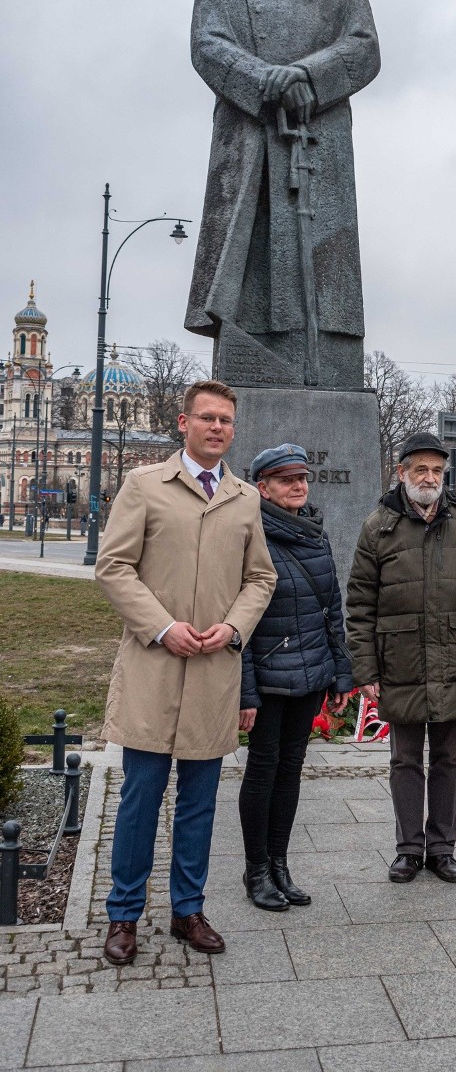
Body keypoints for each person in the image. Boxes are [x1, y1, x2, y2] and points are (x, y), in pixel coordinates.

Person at [95, 380, 277, 965]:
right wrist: (162, 626)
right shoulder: (144, 485)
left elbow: (260, 578)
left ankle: (188, 911)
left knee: (199, 803)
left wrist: (233, 628)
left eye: (226, 420)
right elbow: (114, 566)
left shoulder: (245, 497)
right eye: (207, 418)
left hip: (211, 672)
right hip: (154, 665)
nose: (217, 428)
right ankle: (123, 915)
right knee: (140, 798)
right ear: (183, 422)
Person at [185, 0, 381, 390]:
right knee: (250, 269)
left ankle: (327, 378)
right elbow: (208, 43)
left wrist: (307, 77)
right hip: (250, 142)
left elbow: (365, 48)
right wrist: (267, 80)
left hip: (322, 145)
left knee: (328, 275)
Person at [347, 432, 456, 883]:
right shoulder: (378, 526)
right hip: (401, 660)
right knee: (405, 759)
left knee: (449, 758)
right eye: (421, 469)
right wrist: (365, 668)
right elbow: (359, 604)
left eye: (437, 470)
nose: (430, 477)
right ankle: (408, 849)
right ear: (402, 473)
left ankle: (442, 848)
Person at [237, 442, 353, 910]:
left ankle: (280, 864)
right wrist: (245, 692)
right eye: (286, 480)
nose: (298, 486)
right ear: (262, 488)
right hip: (267, 677)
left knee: (290, 770)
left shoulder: (314, 532)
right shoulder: (249, 535)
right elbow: (237, 621)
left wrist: (340, 674)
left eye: (302, 478)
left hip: (311, 675)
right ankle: (256, 870)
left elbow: (332, 610)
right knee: (263, 770)